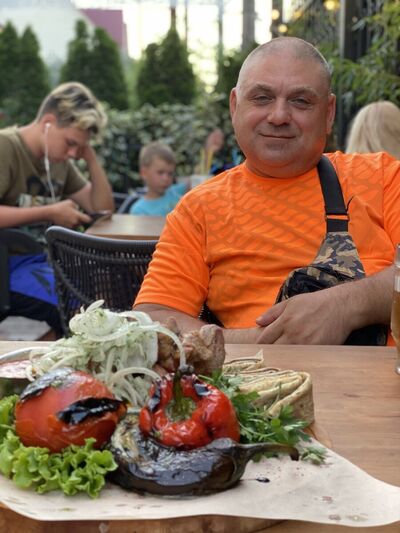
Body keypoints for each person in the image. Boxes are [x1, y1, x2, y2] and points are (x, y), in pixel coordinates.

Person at [133, 37, 400, 346]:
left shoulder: (382, 176)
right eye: (262, 98)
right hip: (251, 376)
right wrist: (263, 341)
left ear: (328, 113)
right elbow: (152, 320)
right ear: (235, 106)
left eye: (301, 101)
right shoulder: (199, 209)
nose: (279, 116)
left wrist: (345, 306)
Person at [0, 81, 114, 336]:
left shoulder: (58, 161)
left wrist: (90, 157)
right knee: (79, 307)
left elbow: (103, 209)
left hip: (38, 262)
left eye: (79, 147)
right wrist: (49, 212)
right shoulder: (6, 146)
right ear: (48, 122)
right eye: (70, 143)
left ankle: (47, 355)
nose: (72, 153)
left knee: (102, 295)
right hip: (8, 265)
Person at [130, 141, 187, 216]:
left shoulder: (176, 191)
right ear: (144, 173)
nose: (166, 178)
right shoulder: (139, 210)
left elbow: (194, 185)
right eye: (160, 172)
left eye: (170, 173)